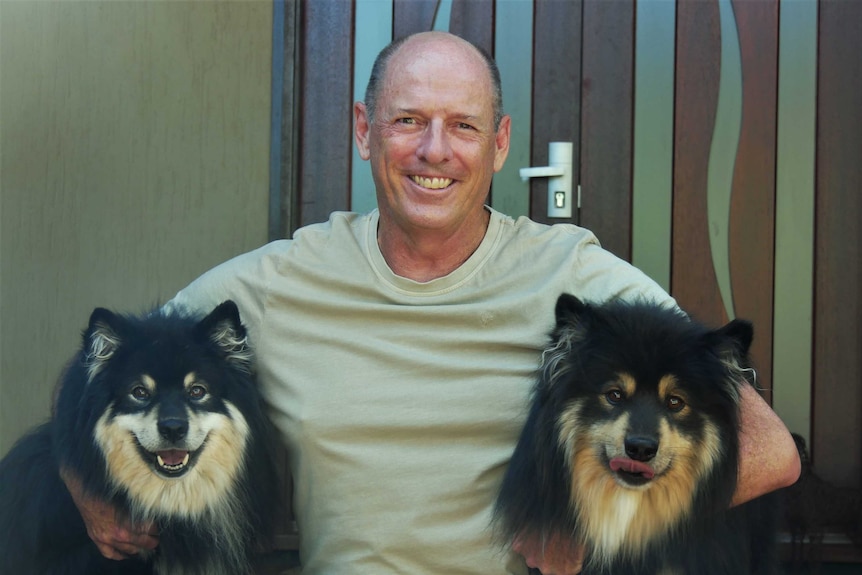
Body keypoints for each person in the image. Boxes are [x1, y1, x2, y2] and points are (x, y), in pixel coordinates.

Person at [64, 31, 800, 574]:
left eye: (464, 125)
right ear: (364, 131)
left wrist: (600, 526)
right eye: (409, 120)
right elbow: (101, 371)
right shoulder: (275, 281)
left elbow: (768, 452)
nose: (434, 150)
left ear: (501, 143)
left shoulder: (574, 273)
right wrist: (86, 488)